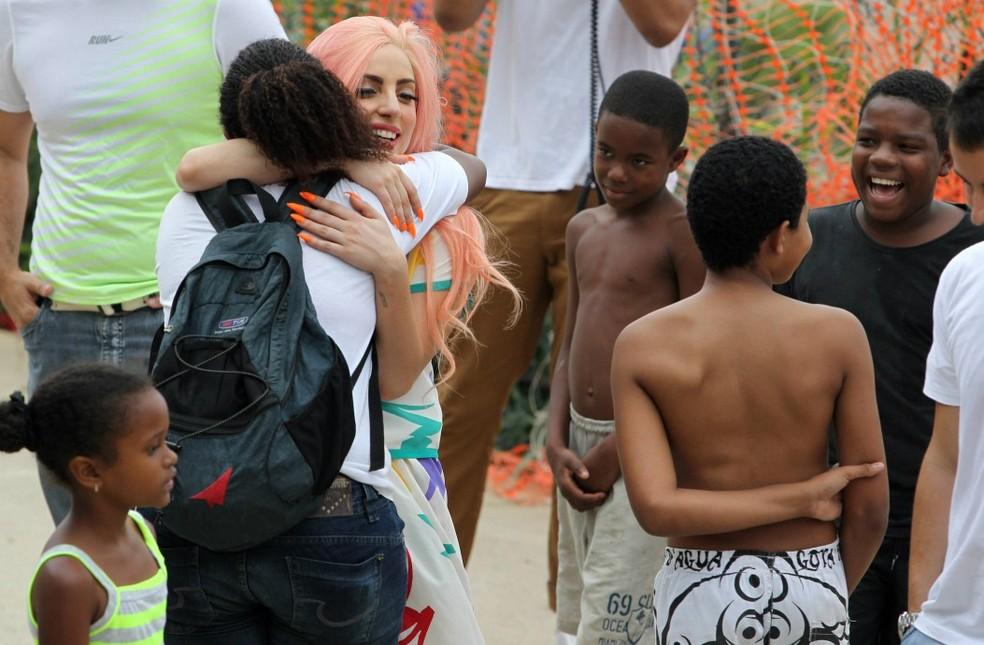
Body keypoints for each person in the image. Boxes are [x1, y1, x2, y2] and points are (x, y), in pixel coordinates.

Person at [175, 17, 519, 644]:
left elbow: (192, 167)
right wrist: (348, 162)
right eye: (366, 90)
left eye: (407, 93)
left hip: (200, 506)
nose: (390, 109)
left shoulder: (180, 214)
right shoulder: (388, 199)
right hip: (336, 504)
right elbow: (473, 166)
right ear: (325, 93)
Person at [433, 1, 698, 586]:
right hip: (511, 175)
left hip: (625, 191)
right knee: (456, 403)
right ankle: (427, 600)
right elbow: (451, 15)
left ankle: (575, 614)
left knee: (597, 410)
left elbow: (664, 23)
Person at [0, 0, 286, 525]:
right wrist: (3, 272)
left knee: (197, 554)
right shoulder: (17, 9)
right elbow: (6, 149)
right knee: (81, 551)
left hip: (194, 323)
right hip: (60, 323)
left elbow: (298, 132)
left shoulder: (229, 6)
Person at [613, 136, 890, 643]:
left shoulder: (642, 344)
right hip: (811, 584)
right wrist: (820, 570)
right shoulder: (837, 335)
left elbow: (656, 509)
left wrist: (801, 500)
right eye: (804, 222)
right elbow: (870, 505)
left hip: (696, 591)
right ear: (779, 237)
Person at [777, 69, 984, 644]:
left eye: (908, 146)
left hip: (943, 531)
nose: (882, 157)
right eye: (869, 140)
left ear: (947, 162)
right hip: (836, 526)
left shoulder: (971, 256)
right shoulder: (807, 241)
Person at [544, 70, 703, 645]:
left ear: (675, 157)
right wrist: (555, 438)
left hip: (644, 445)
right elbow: (569, 343)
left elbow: (692, 360)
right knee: (578, 601)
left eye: (640, 161)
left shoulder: (683, 233)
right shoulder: (583, 227)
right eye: (606, 152)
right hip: (578, 446)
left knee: (618, 613)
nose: (615, 171)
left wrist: (622, 448)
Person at [0, 363, 178, 644]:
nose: (171, 457)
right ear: (90, 471)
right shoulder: (68, 578)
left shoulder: (144, 533)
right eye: (153, 448)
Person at [904, 59, 984, 645]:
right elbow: (946, 455)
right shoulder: (963, 277)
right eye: (971, 188)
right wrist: (920, 616)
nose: (976, 213)